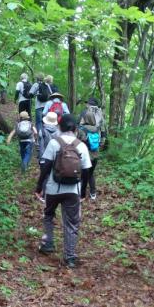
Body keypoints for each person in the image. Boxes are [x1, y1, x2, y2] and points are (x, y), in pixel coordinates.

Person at [35, 114, 91, 268]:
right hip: (73, 190)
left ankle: (48, 244)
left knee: (48, 215)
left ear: (59, 127)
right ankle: (70, 258)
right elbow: (86, 171)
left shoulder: (54, 143)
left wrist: (39, 187)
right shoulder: (81, 146)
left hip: (53, 188)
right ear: (75, 129)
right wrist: (83, 192)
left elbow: (45, 167)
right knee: (71, 223)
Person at [78, 109, 100, 201]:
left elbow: (78, 142)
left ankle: (81, 194)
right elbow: (101, 141)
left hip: (85, 156)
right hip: (95, 156)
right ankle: (93, 193)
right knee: (91, 174)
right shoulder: (97, 129)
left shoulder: (82, 129)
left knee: (82, 175)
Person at [38, 111, 60, 202]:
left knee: (45, 176)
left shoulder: (42, 130)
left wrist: (40, 157)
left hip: (44, 157)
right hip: (55, 157)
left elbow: (40, 145)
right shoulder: (59, 131)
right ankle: (54, 194)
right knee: (53, 175)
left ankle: (44, 196)